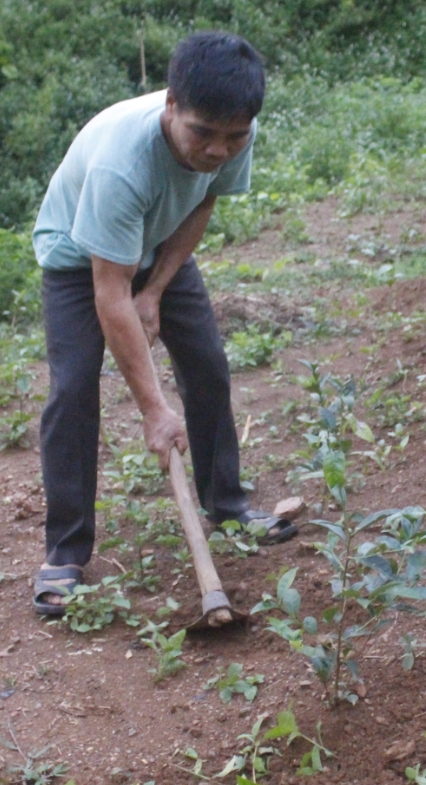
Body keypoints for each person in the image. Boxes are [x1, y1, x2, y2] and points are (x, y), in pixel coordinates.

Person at [28, 30, 295, 618]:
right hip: (80, 260)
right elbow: (108, 291)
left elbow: (202, 201)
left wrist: (157, 287)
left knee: (206, 364)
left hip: (159, 247)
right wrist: (154, 409)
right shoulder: (121, 166)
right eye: (203, 133)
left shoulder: (233, 132)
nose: (218, 150)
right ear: (171, 105)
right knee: (73, 388)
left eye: (234, 137)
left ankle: (228, 508)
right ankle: (66, 552)